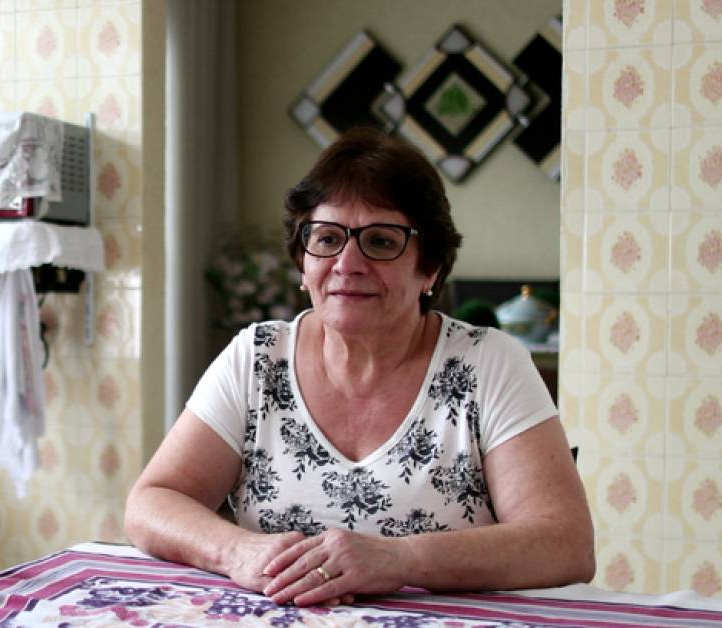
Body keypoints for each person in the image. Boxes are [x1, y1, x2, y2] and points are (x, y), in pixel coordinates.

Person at [125, 128, 594, 607]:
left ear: (430, 268)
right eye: (327, 238)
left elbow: (565, 543)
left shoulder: (488, 363)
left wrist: (401, 559)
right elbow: (152, 501)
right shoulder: (257, 357)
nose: (347, 263)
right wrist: (236, 551)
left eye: (381, 241)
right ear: (303, 263)